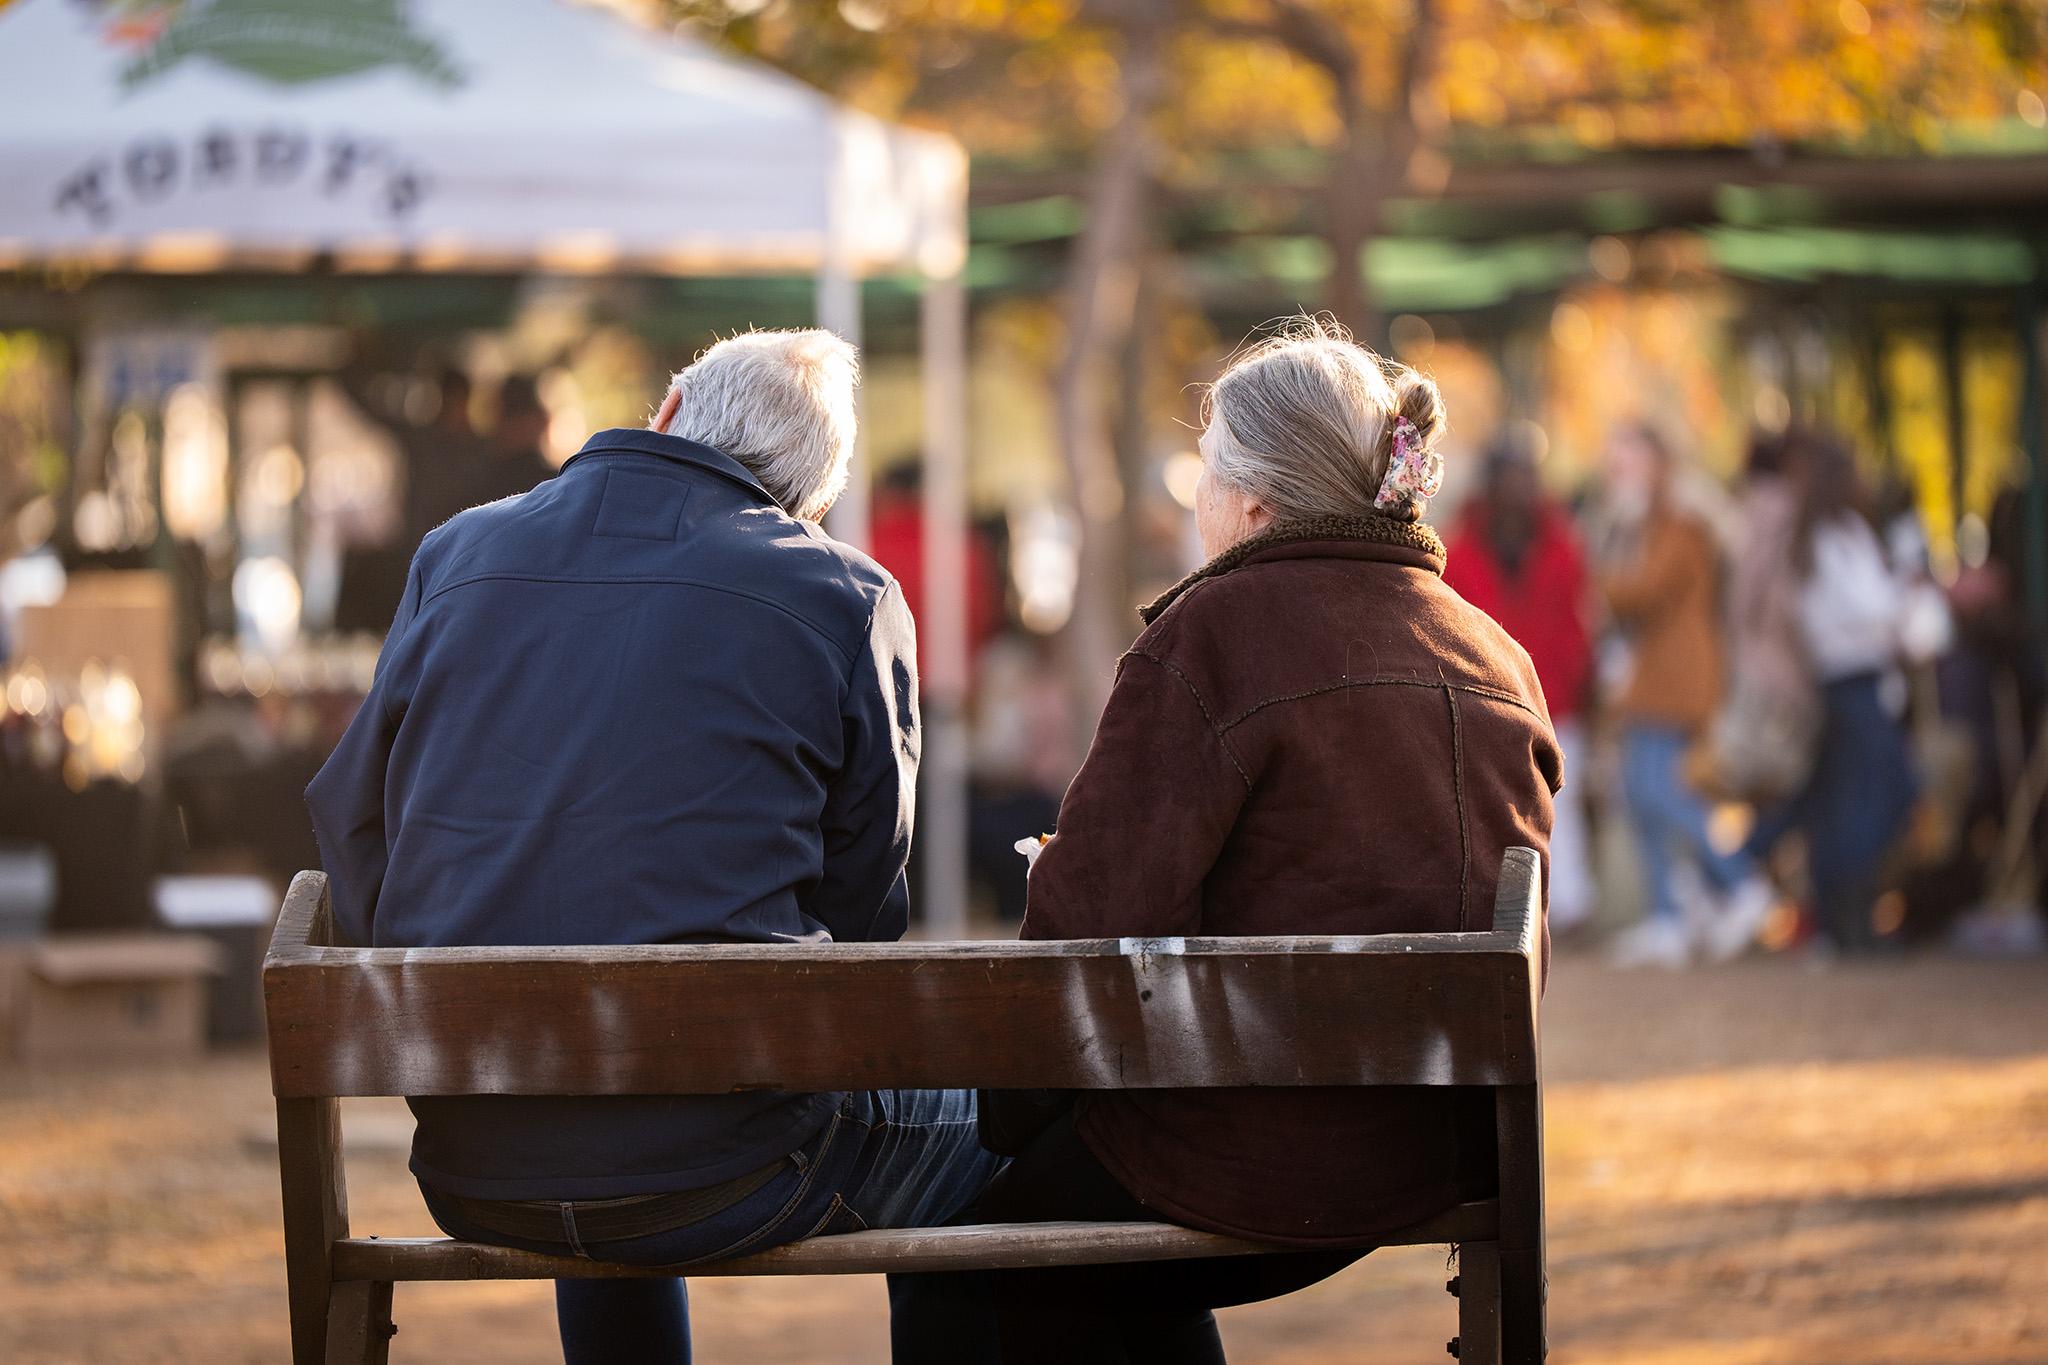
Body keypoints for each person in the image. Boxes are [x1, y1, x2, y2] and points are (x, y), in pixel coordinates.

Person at [304, 330, 1002, 1365]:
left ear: (667, 409)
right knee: (1006, 1138)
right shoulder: (841, 596)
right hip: (741, 1165)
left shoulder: (454, 554)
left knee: (629, 1093)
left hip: (476, 1157)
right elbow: (864, 915)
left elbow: (351, 823)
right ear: (807, 504)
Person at [977, 319, 1562, 1364]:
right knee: (1106, 1270)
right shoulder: (1495, 653)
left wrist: (1010, 1112)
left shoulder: (1212, 634)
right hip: (1443, 1143)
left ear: (1251, 504)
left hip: (1253, 1157)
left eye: (1201, 471)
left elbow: (1089, 929)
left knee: (963, 1263)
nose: (1191, 498)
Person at [1598, 424, 1774, 968]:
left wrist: (1605, 564)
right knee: (1640, 794)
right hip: (1655, 681)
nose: (1618, 475)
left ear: (1657, 466)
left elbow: (1642, 592)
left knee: (1661, 793)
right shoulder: (1651, 522)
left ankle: (1744, 885)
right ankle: (1669, 918)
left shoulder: (1681, 522)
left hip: (1678, 680)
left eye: (1629, 464)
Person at [1745, 428, 1918, 955]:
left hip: (1866, 680)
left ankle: (1850, 913)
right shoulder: (1817, 538)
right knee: (1873, 799)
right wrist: (1900, 611)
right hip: (1846, 684)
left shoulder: (1844, 532)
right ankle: (1844, 916)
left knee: (1857, 799)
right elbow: (1844, 614)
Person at [1443, 430, 1596, 930]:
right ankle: (1503, 913)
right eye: (1511, 477)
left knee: (1563, 808)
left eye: (1528, 476)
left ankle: (1568, 908)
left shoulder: (1562, 541)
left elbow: (1578, 619)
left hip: (1556, 694)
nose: (1521, 488)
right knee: (1493, 808)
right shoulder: (1458, 546)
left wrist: (1579, 678)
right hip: (1487, 696)